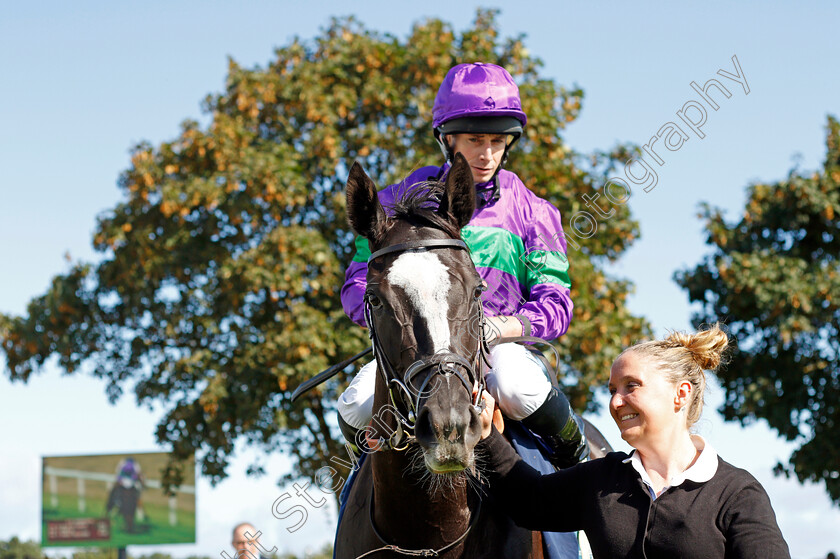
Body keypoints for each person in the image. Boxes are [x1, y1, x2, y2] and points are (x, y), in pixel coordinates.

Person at [338, 62, 585, 466]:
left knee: (517, 386)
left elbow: (556, 302)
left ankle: (578, 471)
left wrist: (502, 326)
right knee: (357, 405)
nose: (487, 155)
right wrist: (398, 320)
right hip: (417, 349)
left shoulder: (537, 213)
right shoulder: (395, 201)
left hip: (499, 348)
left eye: (497, 141)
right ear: (448, 139)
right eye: (474, 140)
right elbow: (356, 283)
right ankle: (355, 493)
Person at [477, 323, 791, 558]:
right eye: (613, 390)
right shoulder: (601, 480)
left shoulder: (736, 493)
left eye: (632, 386)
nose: (615, 402)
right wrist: (487, 435)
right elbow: (527, 499)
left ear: (680, 394)